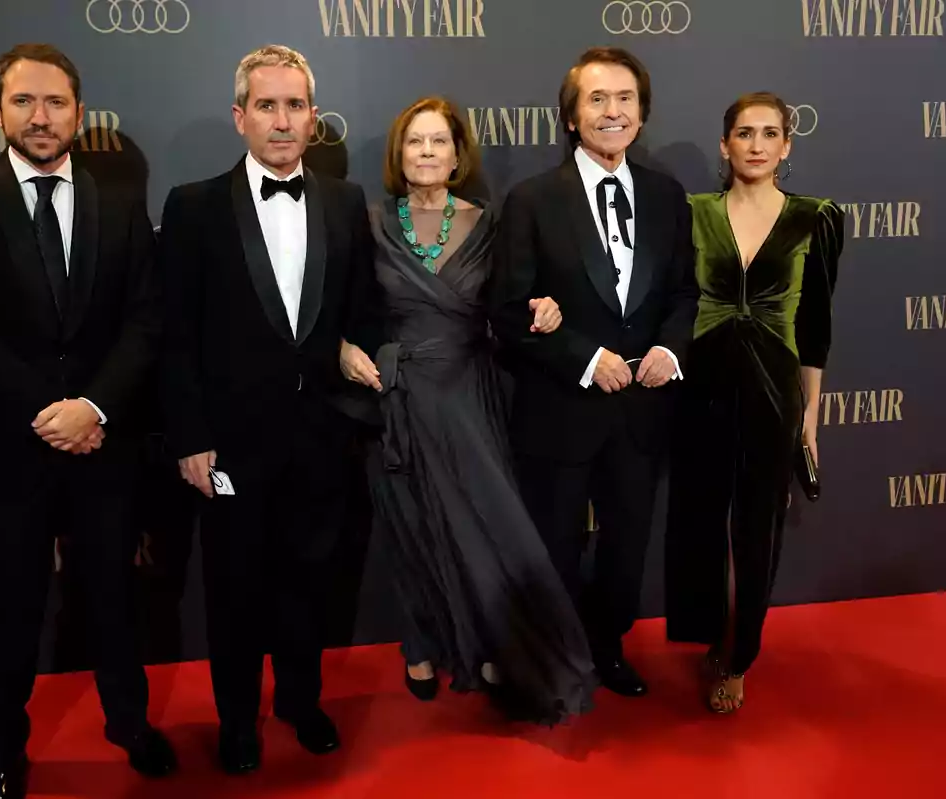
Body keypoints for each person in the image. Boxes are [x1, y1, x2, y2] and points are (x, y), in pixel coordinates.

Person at [0, 44, 176, 799]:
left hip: (106, 444)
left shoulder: (120, 204)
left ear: (79, 114)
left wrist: (92, 409)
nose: (41, 116)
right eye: (24, 101)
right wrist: (48, 413)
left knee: (114, 600)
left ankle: (129, 725)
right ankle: (3, 753)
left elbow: (145, 322)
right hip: (12, 451)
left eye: (56, 102)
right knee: (13, 606)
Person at [159, 45, 383, 775]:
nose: (282, 121)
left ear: (313, 117)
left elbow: (361, 311)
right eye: (266, 105)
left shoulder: (345, 202)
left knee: (309, 584)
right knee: (233, 591)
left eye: (295, 106)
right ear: (240, 116)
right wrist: (190, 436)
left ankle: (300, 701)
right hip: (230, 444)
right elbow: (176, 335)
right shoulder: (192, 207)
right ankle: (236, 721)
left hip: (320, 437)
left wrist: (352, 366)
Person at [338, 97, 596, 724]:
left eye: (438, 142)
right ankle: (422, 645)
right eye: (414, 142)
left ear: (458, 155)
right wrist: (344, 348)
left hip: (467, 394)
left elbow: (511, 304)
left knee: (484, 526)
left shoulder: (489, 222)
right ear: (399, 155)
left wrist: (546, 309)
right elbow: (344, 306)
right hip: (396, 395)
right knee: (413, 527)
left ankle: (489, 644)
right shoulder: (369, 222)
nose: (426, 153)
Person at [489, 47, 698, 698]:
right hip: (559, 410)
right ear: (572, 117)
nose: (614, 112)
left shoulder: (666, 196)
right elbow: (507, 312)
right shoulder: (530, 200)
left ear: (642, 113)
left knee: (626, 547)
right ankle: (552, 659)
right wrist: (584, 358)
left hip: (641, 414)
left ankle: (607, 649)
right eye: (598, 100)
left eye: (626, 99)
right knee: (551, 547)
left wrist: (670, 351)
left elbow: (685, 294)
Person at [664, 92, 843, 713]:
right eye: (745, 133)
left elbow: (816, 327)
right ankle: (713, 629)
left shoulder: (814, 217)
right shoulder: (692, 213)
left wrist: (810, 419)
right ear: (725, 144)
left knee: (755, 528)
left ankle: (741, 656)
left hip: (773, 387)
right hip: (701, 385)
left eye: (771, 133)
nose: (758, 144)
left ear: (787, 146)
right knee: (702, 517)